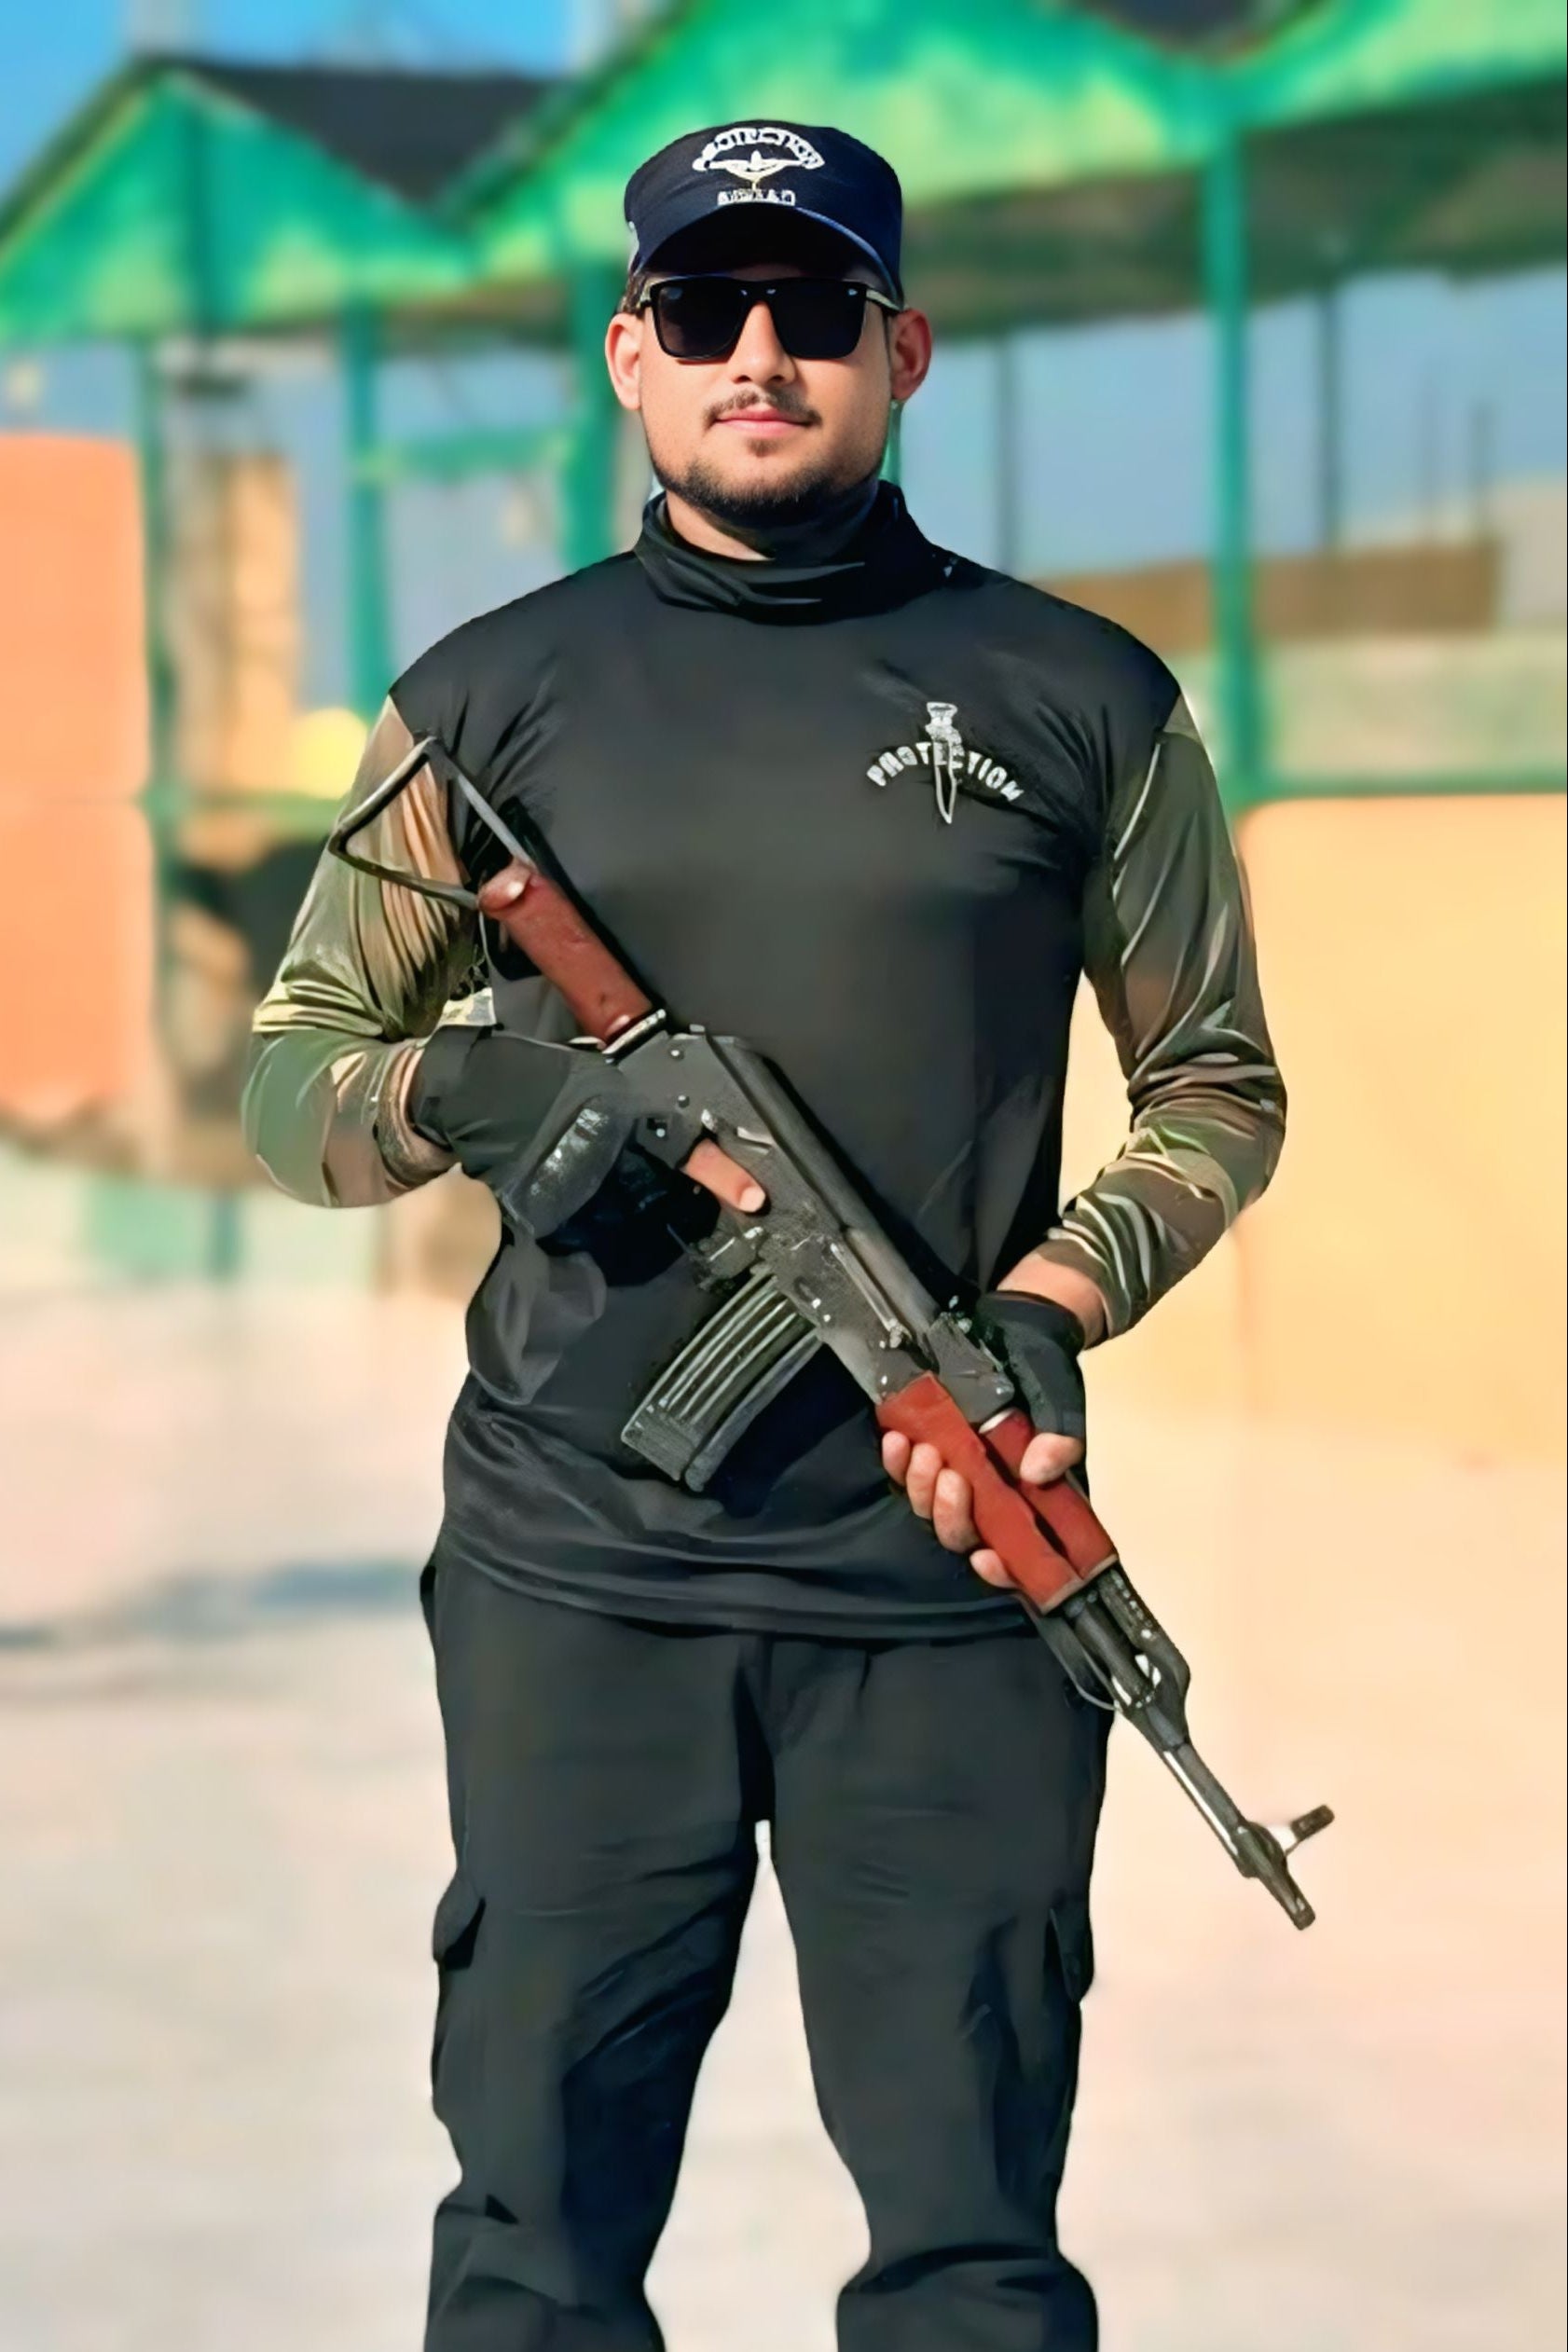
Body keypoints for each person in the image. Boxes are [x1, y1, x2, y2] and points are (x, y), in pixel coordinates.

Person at [245, 118, 1286, 2352]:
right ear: (628, 354)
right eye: (703, 310)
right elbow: (292, 1079)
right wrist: (472, 1087)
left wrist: (1045, 1299)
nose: (757, 351)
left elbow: (1214, 1085)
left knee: (974, 2260)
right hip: (576, 1584)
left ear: (898, 348)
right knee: (533, 2238)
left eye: (812, 310)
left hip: (952, 1581)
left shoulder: (1079, 701)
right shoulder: (479, 705)